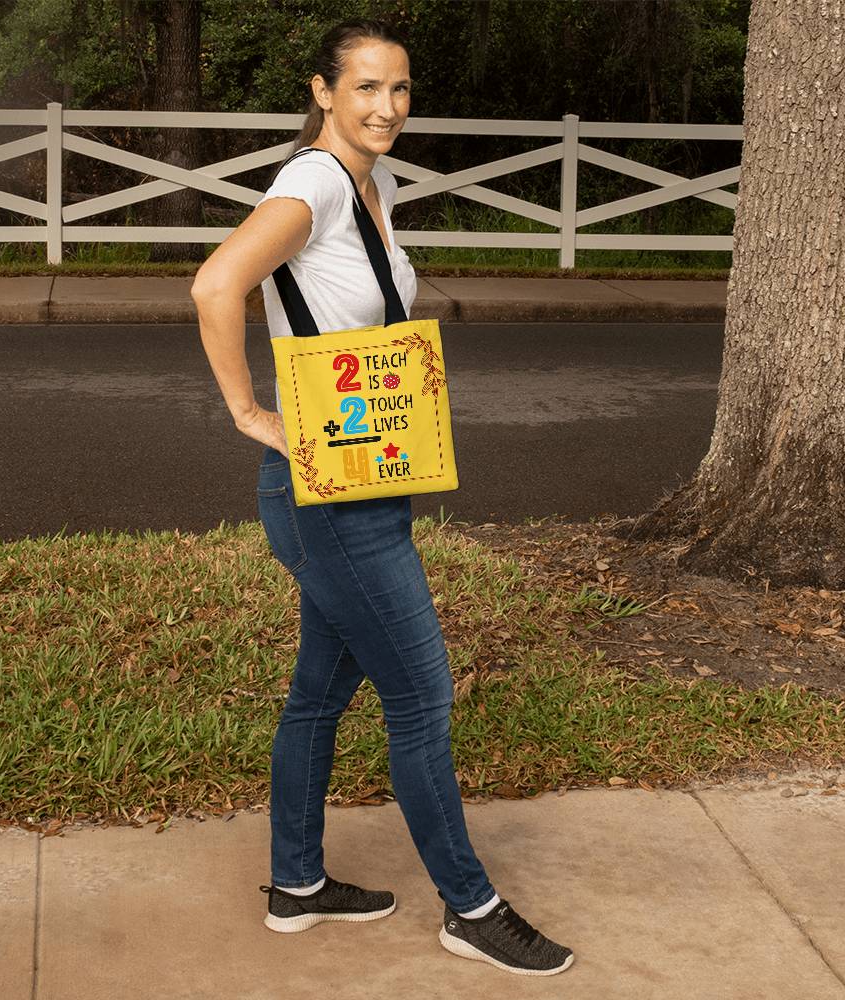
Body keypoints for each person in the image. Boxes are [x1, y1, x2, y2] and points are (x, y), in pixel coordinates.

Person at [191, 17, 574, 978]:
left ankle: (297, 887)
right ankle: (471, 907)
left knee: (321, 691)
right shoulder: (316, 182)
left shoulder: (373, 181)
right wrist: (247, 409)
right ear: (322, 91)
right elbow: (217, 284)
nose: (386, 107)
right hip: (328, 493)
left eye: (399, 89)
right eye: (364, 88)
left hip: (364, 474)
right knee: (422, 694)